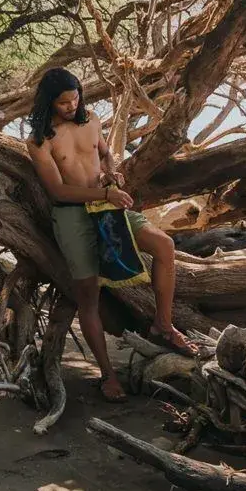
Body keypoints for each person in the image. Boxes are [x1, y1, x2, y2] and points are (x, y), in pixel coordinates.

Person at [26, 68, 197, 403]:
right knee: (88, 295)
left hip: (108, 207)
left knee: (164, 245)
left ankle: (163, 325)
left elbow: (104, 152)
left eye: (75, 98)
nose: (72, 105)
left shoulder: (90, 118)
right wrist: (105, 196)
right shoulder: (38, 141)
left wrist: (109, 172)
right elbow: (58, 191)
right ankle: (108, 375)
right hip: (72, 217)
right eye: (63, 102)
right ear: (49, 102)